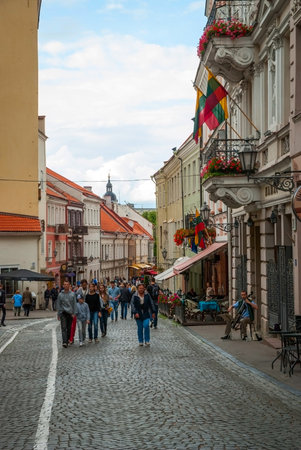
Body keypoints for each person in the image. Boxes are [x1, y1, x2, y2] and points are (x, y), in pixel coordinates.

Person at [56, 280, 77, 348]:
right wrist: (58, 314)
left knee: (69, 328)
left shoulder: (72, 294)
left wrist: (74, 313)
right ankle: (64, 342)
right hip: (63, 313)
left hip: (70, 313)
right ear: (63, 286)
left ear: (69, 285)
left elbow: (74, 304)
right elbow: (58, 304)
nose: (66, 285)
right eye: (65, 284)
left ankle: (68, 339)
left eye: (67, 284)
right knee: (63, 327)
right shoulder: (60, 294)